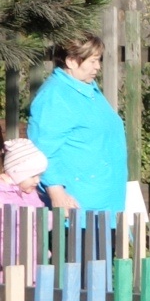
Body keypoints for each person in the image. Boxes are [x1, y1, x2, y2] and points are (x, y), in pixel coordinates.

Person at [28, 33, 127, 212]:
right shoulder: (55, 96)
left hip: (105, 199)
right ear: (72, 61)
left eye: (99, 60)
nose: (98, 67)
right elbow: (43, 149)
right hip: (78, 205)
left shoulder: (87, 89)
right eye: (93, 61)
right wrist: (57, 193)